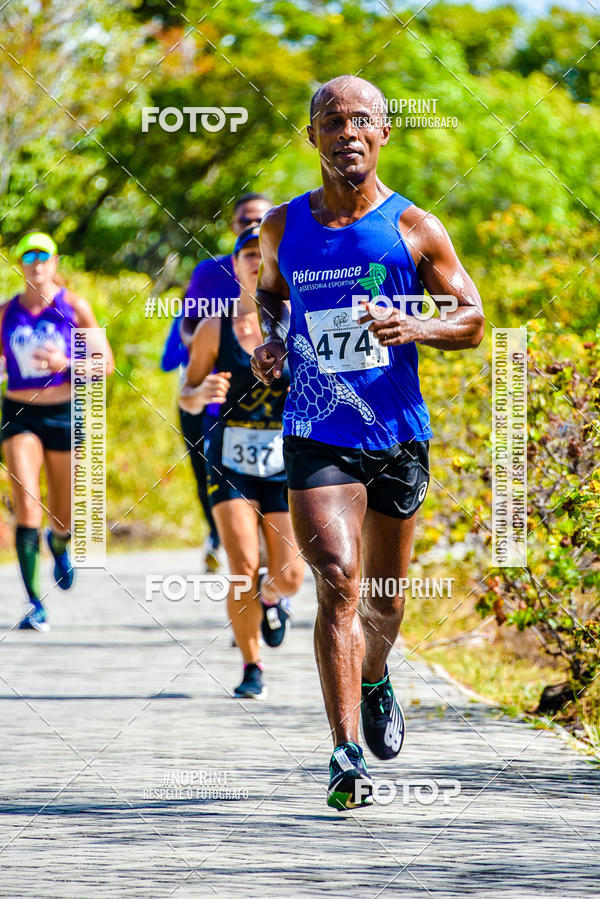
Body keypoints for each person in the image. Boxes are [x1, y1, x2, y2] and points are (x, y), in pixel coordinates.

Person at [251, 75, 485, 808]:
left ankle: (377, 674)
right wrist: (273, 342)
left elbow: (473, 318)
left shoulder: (414, 226)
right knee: (339, 581)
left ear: (384, 133)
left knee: (384, 599)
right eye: (332, 121)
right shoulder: (283, 227)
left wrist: (416, 325)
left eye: (361, 121)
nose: (347, 132)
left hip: (396, 431)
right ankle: (345, 751)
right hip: (317, 427)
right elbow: (268, 293)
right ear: (312, 137)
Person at [180, 225, 304, 699]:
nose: (256, 260)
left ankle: (271, 598)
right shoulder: (215, 327)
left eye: (264, 252)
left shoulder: (300, 322)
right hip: (228, 458)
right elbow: (187, 397)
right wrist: (200, 393)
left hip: (285, 461)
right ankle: (252, 665)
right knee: (241, 562)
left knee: (290, 575)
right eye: (248, 254)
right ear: (235, 266)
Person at [0, 231, 114, 630]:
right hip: (18, 415)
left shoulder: (73, 307)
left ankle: (60, 541)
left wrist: (66, 363)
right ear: (19, 264)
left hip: (64, 414)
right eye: (27, 256)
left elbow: (106, 364)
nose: (35, 262)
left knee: (62, 514)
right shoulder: (6, 311)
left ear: (55, 261)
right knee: (27, 505)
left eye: (43, 256)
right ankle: (34, 602)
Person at [161, 193, 272, 571]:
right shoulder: (211, 272)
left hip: (272, 405)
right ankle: (220, 532)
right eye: (245, 222)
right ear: (233, 228)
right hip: (213, 388)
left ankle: (269, 578)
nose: (253, 227)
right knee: (205, 467)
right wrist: (210, 347)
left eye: (263, 219)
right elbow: (187, 322)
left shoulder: (286, 267)